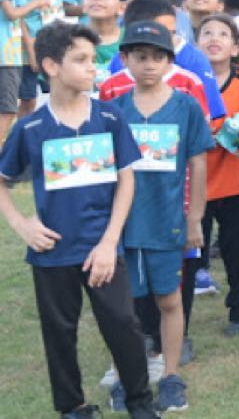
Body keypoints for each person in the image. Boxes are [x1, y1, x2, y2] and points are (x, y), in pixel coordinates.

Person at [0, 22, 158, 419]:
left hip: (102, 248)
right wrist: (22, 225)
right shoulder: (30, 127)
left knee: (123, 323)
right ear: (51, 66)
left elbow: (127, 180)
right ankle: (72, 407)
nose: (92, 67)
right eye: (81, 60)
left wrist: (109, 242)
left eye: (93, 59)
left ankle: (140, 402)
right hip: (52, 253)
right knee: (59, 332)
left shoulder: (109, 117)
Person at [108, 20, 213, 412]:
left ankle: (170, 376)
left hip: (168, 222)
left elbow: (198, 163)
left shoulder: (186, 106)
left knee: (169, 300)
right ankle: (128, 377)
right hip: (125, 226)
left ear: (170, 61)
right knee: (128, 308)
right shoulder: (115, 110)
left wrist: (195, 218)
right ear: (125, 60)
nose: (149, 64)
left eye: (158, 56)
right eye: (140, 56)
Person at [195, 13, 239, 338]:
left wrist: (237, 129)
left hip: (235, 181)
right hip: (195, 185)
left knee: (238, 250)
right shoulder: (186, 81)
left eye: (223, 34)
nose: (214, 39)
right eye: (207, 33)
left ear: (235, 47)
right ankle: (179, 312)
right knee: (192, 251)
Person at [0, 0, 48, 138]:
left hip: (8, 54)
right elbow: (12, 13)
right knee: (8, 109)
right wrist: (36, 2)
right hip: (5, 55)